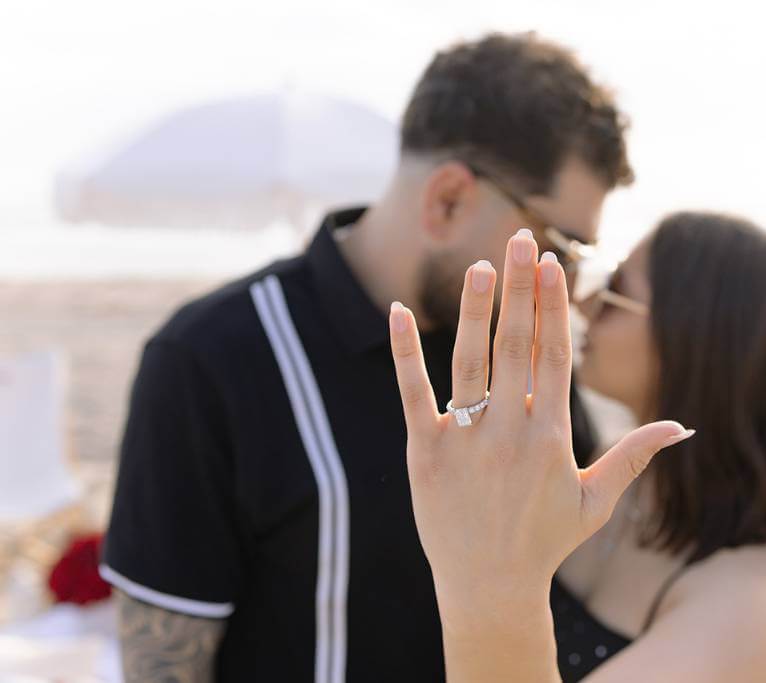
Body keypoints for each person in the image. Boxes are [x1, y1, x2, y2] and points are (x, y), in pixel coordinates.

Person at [100, 32, 633, 681]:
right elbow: (163, 664)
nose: (567, 286)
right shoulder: (209, 359)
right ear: (448, 200)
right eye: (561, 246)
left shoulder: (523, 361)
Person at [389, 212, 766, 682]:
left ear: (696, 335)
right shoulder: (614, 470)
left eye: (615, 292)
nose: (585, 305)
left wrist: (487, 573)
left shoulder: (762, 604)